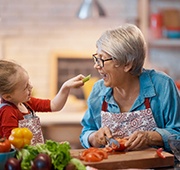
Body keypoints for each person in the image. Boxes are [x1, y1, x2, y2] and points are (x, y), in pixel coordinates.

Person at [80, 23, 180, 152]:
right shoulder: (98, 91)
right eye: (97, 58)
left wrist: (151, 137)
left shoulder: (162, 85)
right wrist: (94, 137)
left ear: (127, 64)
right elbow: (86, 132)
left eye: (103, 60)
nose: (97, 66)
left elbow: (178, 134)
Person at [0, 59, 86, 144]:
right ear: (8, 96)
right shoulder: (7, 112)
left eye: (29, 82)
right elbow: (12, 145)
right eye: (26, 87)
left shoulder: (26, 103)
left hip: (33, 154)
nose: (31, 87)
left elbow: (54, 105)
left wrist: (66, 87)